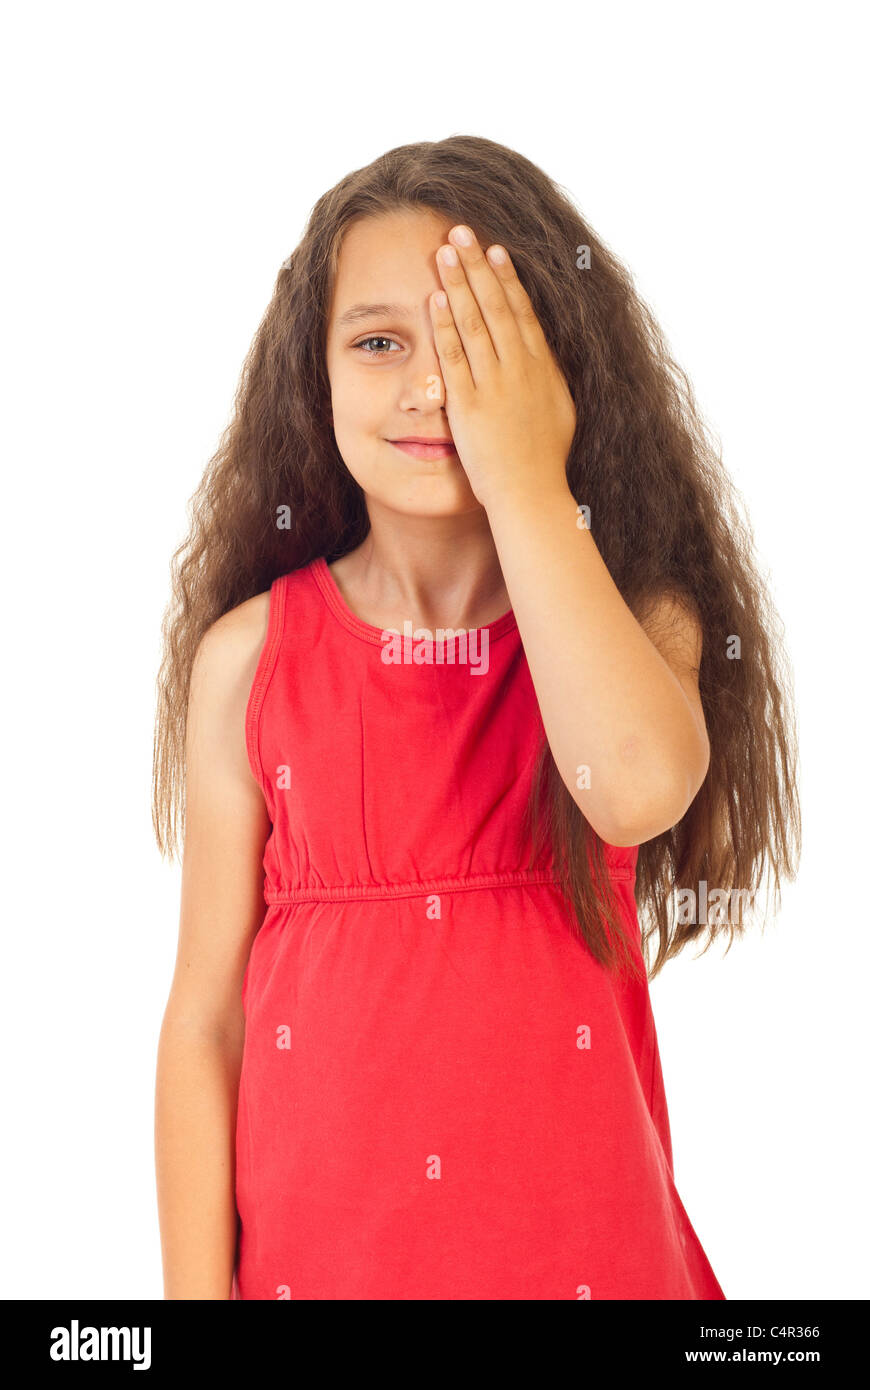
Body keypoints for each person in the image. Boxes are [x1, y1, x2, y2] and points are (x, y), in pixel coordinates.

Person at [152, 135, 800, 1300]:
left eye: (472, 342)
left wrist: (526, 479)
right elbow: (205, 1022)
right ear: (317, 373)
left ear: (556, 373)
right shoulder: (246, 663)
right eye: (380, 341)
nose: (427, 386)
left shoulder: (633, 622)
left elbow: (638, 782)